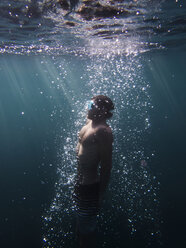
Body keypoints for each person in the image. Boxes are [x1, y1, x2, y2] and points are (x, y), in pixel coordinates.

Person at [74, 95, 114, 248]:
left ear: (103, 110)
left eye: (91, 105)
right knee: (80, 227)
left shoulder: (103, 132)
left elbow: (106, 166)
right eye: (88, 103)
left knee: (86, 233)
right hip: (80, 184)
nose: (87, 107)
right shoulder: (88, 124)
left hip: (90, 188)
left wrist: (101, 194)